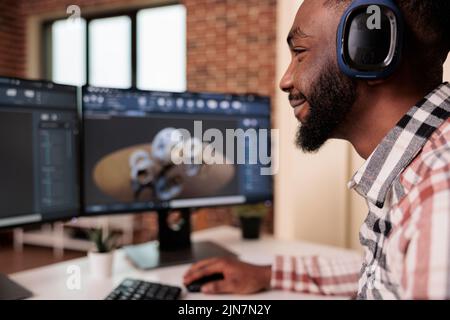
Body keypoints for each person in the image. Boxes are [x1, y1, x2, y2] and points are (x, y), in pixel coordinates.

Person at [183, 0, 450, 299]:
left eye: (299, 53)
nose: (285, 80)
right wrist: (267, 274)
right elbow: (383, 273)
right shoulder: (423, 172)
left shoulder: (439, 198)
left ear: (368, 49)